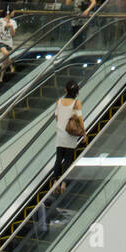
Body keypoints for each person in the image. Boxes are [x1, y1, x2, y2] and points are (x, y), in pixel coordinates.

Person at [51, 80, 84, 208]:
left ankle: (55, 182)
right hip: (70, 136)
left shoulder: (59, 102)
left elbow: (56, 117)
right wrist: (84, 133)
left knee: (59, 158)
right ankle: (64, 182)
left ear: (66, 90)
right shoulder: (76, 103)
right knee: (68, 159)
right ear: (76, 91)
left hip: (60, 134)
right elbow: (79, 119)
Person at [0, 10, 17, 78]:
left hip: (9, 42)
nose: (14, 14)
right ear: (8, 13)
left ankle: (1, 78)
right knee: (6, 54)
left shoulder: (13, 22)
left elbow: (13, 35)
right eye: (13, 12)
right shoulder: (0, 20)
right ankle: (11, 67)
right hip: (1, 41)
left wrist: (11, 26)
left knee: (4, 61)